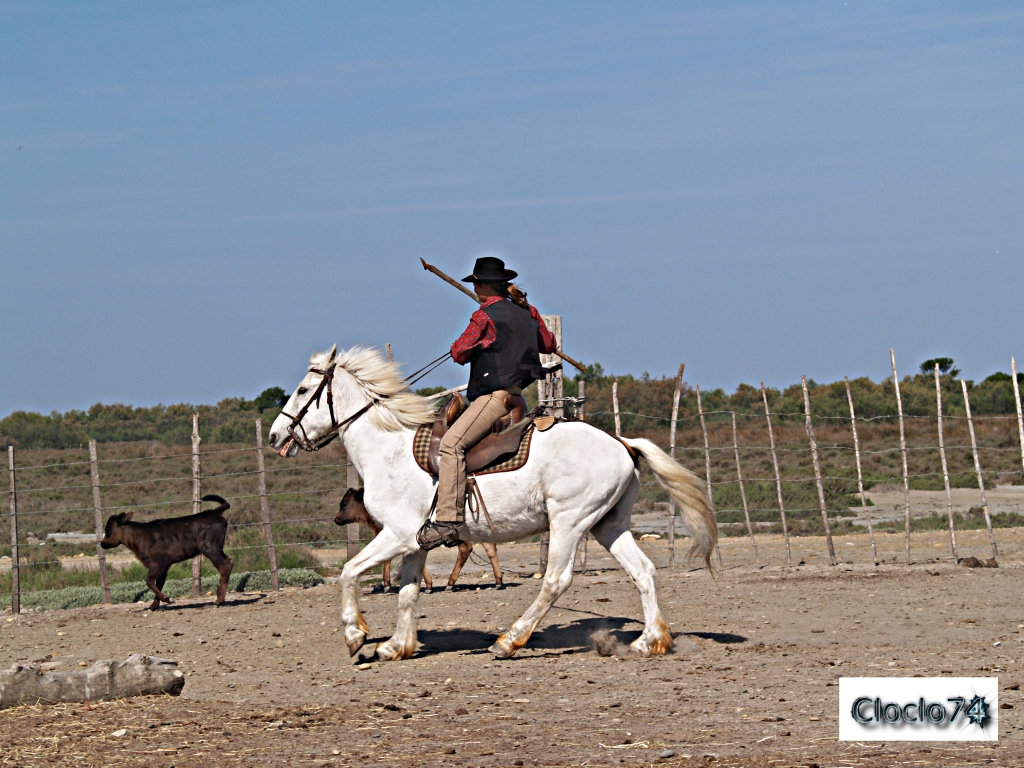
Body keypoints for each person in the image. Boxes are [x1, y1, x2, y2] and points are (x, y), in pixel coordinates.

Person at [416, 256, 558, 551]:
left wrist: (484, 337)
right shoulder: (528, 311)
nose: (476, 286)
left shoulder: (484, 316)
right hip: (518, 395)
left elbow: (458, 352)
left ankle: (447, 521)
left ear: (481, 285)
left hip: (494, 398)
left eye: (476, 282)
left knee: (451, 444)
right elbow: (549, 344)